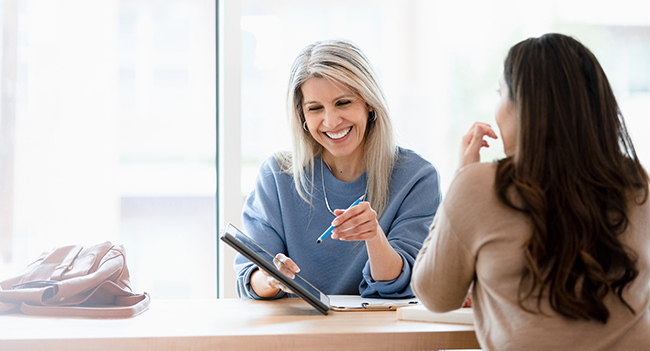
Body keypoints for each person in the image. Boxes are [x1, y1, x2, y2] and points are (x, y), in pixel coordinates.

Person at [412, 33, 650, 350]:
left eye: (500, 92)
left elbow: (436, 295)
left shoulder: (479, 185)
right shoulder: (636, 182)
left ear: (524, 105)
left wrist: (461, 177)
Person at [236, 38, 442, 299]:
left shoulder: (417, 178)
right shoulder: (276, 175)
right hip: (295, 335)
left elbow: (402, 284)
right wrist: (271, 277)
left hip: (381, 335)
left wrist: (374, 236)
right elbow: (250, 277)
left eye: (343, 103)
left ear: (369, 103)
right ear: (301, 116)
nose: (331, 121)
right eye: (315, 108)